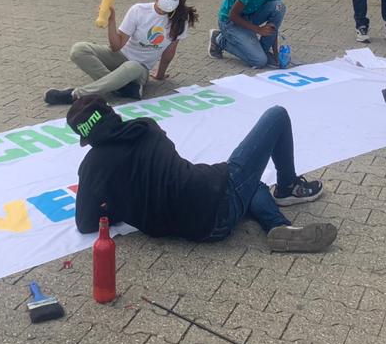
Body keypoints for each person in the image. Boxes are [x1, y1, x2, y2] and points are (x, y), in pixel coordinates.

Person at [70, 97, 337, 253]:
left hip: (200, 231)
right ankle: (288, 187)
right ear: (112, 114)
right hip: (216, 196)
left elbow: (85, 223)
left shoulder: (92, 167)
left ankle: (277, 226)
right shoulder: (145, 128)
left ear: (87, 137)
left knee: (253, 185)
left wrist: (115, 205)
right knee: (276, 115)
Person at [46, 0, 197, 105]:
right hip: (120, 57)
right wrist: (112, 21)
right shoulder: (139, 10)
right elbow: (116, 46)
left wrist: (159, 75)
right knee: (79, 50)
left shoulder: (180, 19)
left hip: (139, 69)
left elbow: (169, 53)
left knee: (132, 66)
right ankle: (121, 87)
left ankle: (76, 95)